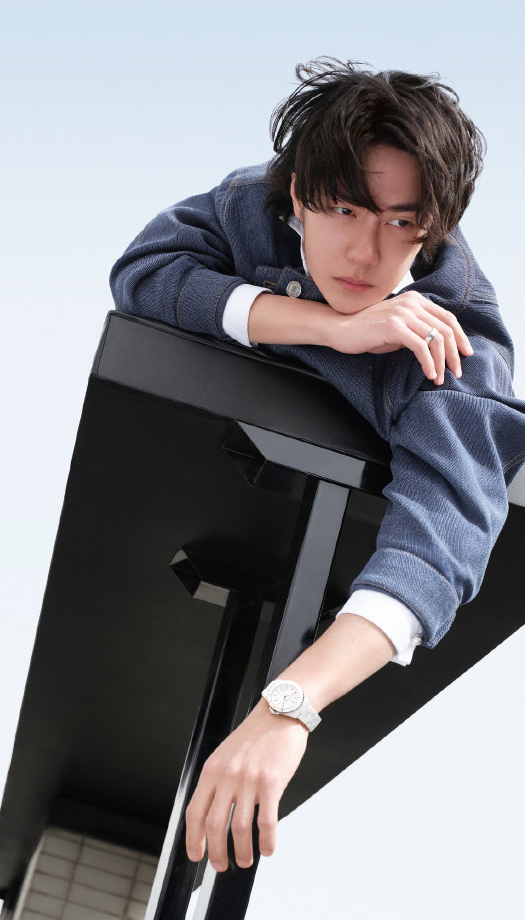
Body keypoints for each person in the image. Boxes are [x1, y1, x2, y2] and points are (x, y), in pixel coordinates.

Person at [109, 58, 525, 874]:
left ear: (434, 228)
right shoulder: (252, 204)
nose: (366, 252)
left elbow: (438, 545)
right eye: (344, 210)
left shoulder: (456, 351)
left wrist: (287, 710)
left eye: (403, 223)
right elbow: (146, 274)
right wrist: (326, 327)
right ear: (298, 193)